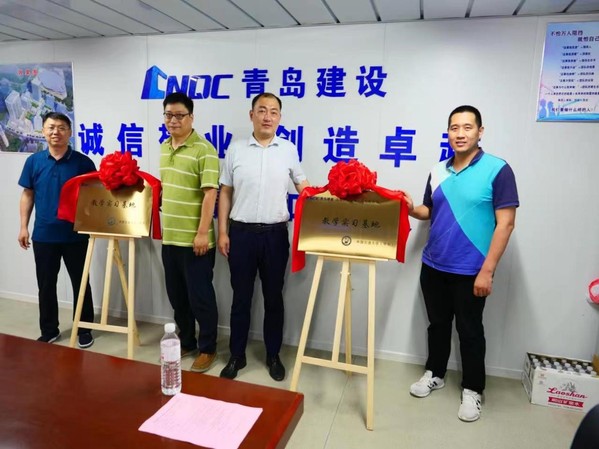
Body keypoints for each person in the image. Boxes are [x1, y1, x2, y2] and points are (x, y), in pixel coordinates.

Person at [406, 105, 519, 422]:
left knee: (470, 331)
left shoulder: (498, 170)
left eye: (467, 127)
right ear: (448, 133)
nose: (460, 133)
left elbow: (506, 223)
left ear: (480, 132)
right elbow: (429, 211)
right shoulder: (438, 170)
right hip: (433, 265)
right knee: (437, 325)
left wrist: (487, 271)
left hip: (471, 270)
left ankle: (472, 389)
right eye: (454, 128)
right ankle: (435, 373)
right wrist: (410, 207)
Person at [218, 92, 309, 381]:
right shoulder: (236, 149)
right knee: (240, 299)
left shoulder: (288, 150)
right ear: (252, 115)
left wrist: (330, 198)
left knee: (274, 298)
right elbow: (225, 192)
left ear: (280, 118)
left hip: (275, 236)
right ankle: (237, 355)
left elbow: (304, 187)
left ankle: (273, 355)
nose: (267, 116)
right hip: (241, 234)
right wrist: (222, 231)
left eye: (273, 111)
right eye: (261, 110)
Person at [18, 112, 96, 348]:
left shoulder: (83, 163)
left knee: (81, 283)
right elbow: (28, 194)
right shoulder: (34, 161)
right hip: (44, 235)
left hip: (75, 235)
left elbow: (94, 197)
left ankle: (84, 329)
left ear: (69, 132)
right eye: (51, 127)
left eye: (62, 127)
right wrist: (23, 227)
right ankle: (49, 330)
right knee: (46, 285)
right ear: (43, 131)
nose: (56, 132)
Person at [159, 92, 220, 373]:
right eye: (169, 115)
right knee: (177, 297)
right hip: (170, 236)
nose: (173, 120)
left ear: (191, 117)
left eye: (179, 115)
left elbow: (210, 194)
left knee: (200, 298)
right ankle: (187, 341)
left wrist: (203, 233)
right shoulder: (164, 147)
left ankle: (208, 348)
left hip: (196, 240)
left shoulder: (204, 149)